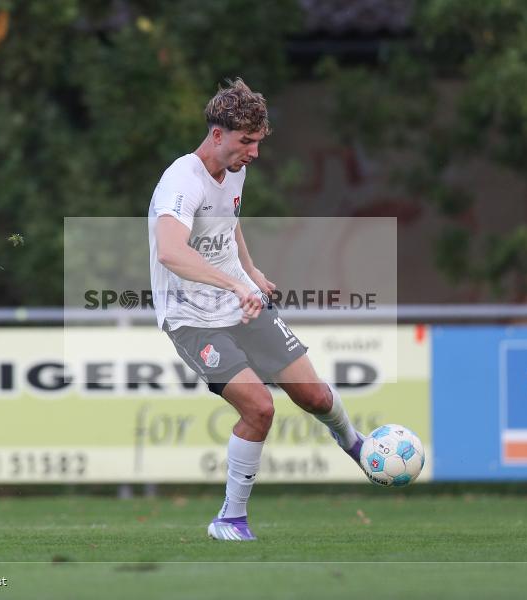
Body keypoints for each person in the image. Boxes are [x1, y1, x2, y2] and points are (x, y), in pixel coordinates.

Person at [148, 79, 364, 541]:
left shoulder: (234, 169)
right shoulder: (181, 181)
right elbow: (170, 251)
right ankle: (230, 517)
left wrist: (251, 272)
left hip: (240, 300)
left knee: (317, 397)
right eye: (247, 142)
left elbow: (230, 224)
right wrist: (233, 283)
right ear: (218, 134)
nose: (254, 153)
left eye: (258, 142)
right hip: (193, 319)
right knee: (260, 408)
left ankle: (355, 445)